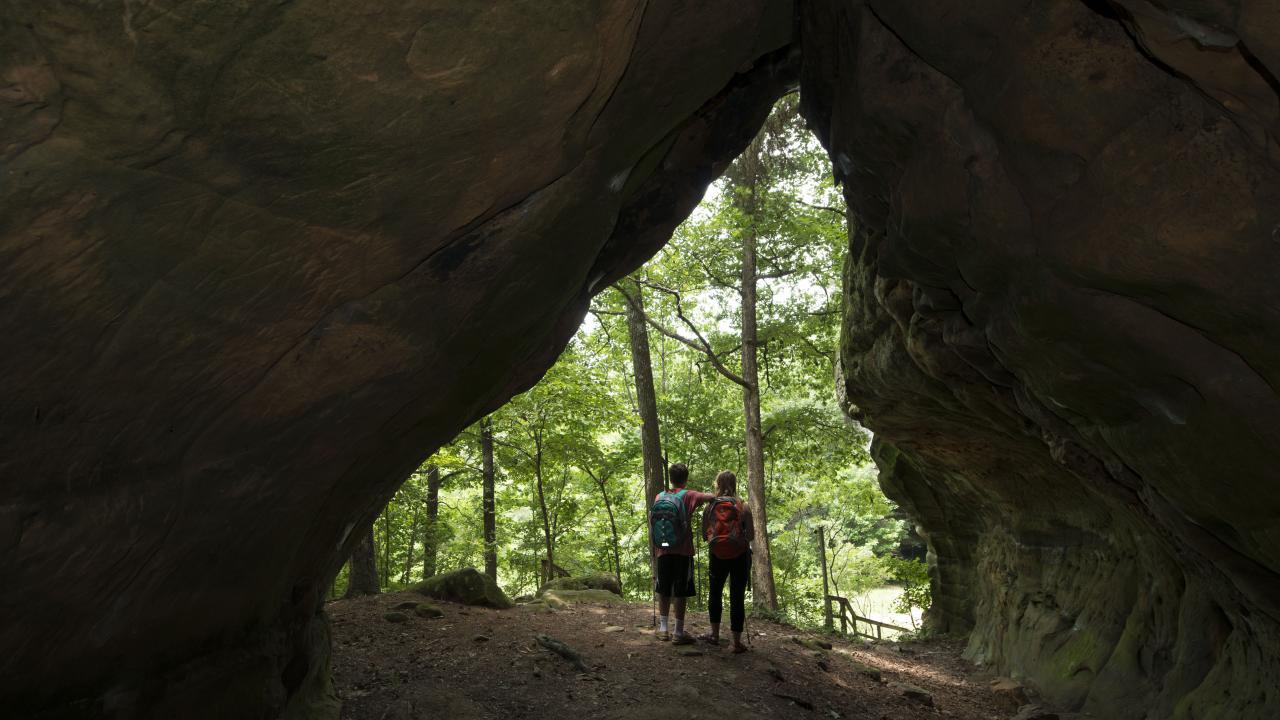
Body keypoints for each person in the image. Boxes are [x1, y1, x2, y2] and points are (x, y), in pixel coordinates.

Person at [649, 462, 714, 645]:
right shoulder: (689, 495)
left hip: (662, 550)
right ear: (685, 479)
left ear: (670, 478)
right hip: (683, 551)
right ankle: (678, 632)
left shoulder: (659, 496)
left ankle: (663, 629)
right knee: (681, 590)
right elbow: (711, 497)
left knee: (663, 588)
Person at [700, 470, 754, 653]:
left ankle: (714, 636)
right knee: (736, 597)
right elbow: (751, 535)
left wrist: (716, 540)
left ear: (717, 484)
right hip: (739, 555)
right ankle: (736, 643)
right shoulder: (743, 506)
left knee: (715, 593)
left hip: (717, 555)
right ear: (735, 484)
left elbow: (703, 534)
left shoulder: (710, 507)